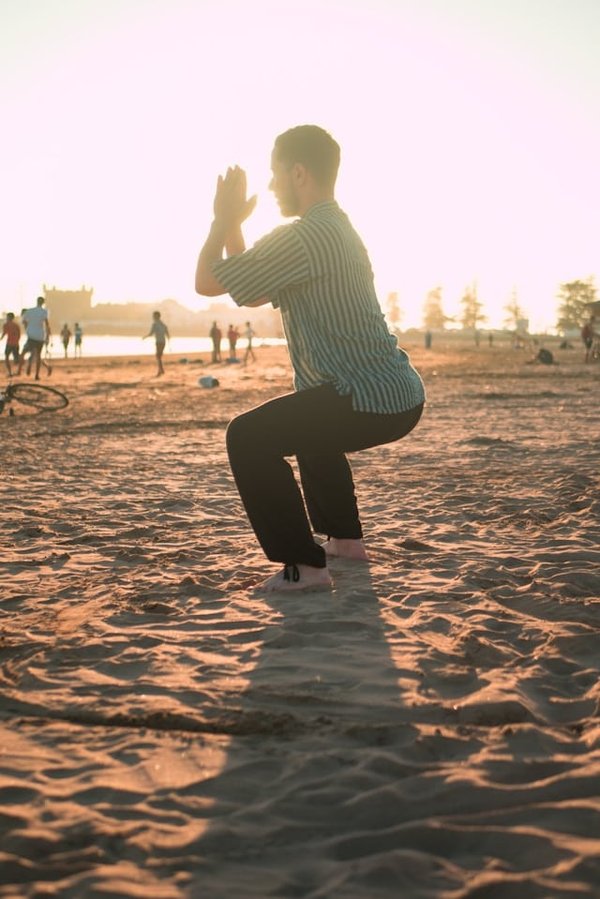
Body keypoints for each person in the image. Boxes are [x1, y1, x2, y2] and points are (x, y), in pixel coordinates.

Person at [195, 125, 425, 593]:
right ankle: (344, 543)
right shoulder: (336, 229)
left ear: (298, 172)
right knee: (310, 420)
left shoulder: (303, 237)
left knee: (248, 437)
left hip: (367, 396)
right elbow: (255, 287)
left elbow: (206, 282)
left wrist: (221, 218)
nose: (273, 184)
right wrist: (238, 225)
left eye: (276, 173)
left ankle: (305, 567)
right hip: (397, 394)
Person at [19, 297, 51, 380]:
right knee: (38, 355)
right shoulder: (44, 312)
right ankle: (36, 375)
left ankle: (23, 368)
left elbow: (23, 321)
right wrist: (48, 336)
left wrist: (28, 328)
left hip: (31, 336)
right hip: (40, 336)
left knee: (24, 352)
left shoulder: (29, 311)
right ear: (43, 303)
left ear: (36, 301)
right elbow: (47, 324)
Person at [144, 310, 169, 376]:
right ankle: (161, 370)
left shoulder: (155, 324)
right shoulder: (163, 324)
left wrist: (145, 337)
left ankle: (160, 371)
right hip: (163, 342)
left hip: (159, 342)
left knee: (158, 356)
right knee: (159, 356)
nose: (153, 317)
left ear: (156, 316)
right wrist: (169, 340)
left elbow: (151, 333)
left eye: (154, 315)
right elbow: (167, 333)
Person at [1, 312, 21, 377]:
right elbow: (19, 335)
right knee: (16, 359)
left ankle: (10, 373)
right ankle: (17, 371)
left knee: (7, 358)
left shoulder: (6, 325)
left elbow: (4, 333)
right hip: (15, 344)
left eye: (7, 317)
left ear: (9, 318)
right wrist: (17, 341)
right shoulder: (16, 325)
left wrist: (0, 339)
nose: (6, 318)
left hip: (9, 344)